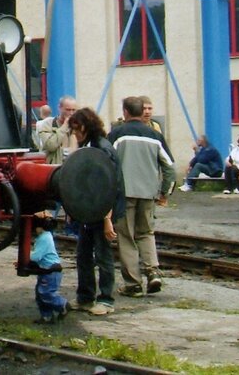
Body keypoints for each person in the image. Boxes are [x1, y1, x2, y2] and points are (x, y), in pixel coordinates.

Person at [108, 95, 176, 297]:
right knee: (146, 233)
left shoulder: (117, 135)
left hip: (124, 193)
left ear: (126, 112)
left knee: (126, 237)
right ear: (141, 112)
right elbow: (170, 168)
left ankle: (133, 284)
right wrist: (165, 191)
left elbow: (105, 160)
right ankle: (153, 271)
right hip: (148, 193)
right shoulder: (154, 136)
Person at [67, 107, 125, 316]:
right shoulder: (89, 147)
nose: (75, 133)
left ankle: (106, 299)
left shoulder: (102, 149)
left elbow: (111, 186)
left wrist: (107, 218)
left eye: (76, 128)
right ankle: (85, 296)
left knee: (103, 255)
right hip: (90, 209)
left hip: (101, 210)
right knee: (83, 255)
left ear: (86, 126)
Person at [27, 212, 68, 323]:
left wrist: (25, 257)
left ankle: (62, 304)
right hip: (46, 271)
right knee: (40, 294)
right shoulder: (47, 236)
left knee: (46, 293)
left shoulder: (44, 238)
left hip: (50, 271)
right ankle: (46, 316)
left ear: (39, 227)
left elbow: (36, 256)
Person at [36, 96, 78, 165]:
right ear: (60, 108)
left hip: (72, 168)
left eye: (73, 110)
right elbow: (50, 146)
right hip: (54, 169)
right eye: (68, 110)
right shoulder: (47, 124)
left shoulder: (76, 126)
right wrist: (64, 126)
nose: (71, 113)